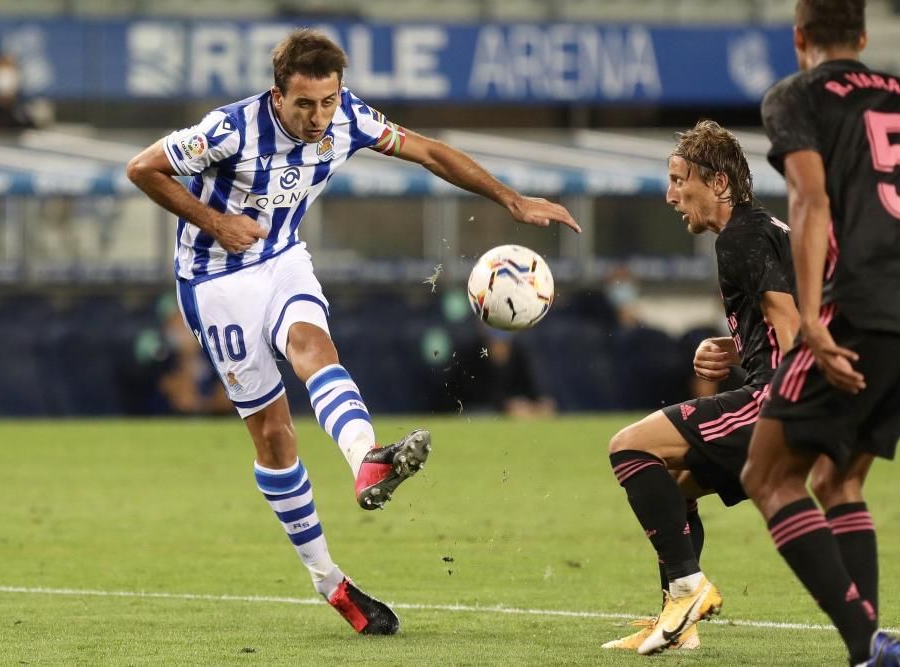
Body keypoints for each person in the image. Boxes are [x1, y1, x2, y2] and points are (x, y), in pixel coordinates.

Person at [126, 28, 580, 636]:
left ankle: (367, 461)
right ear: (277, 94)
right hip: (214, 282)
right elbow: (142, 168)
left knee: (315, 348)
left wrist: (510, 199)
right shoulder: (228, 129)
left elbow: (428, 152)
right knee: (275, 437)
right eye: (304, 104)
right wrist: (214, 221)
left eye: (329, 101)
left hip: (282, 258)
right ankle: (328, 581)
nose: (319, 118)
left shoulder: (349, 119)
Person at [740, 2, 900, 665]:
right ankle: (866, 651)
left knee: (767, 474)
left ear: (799, 38)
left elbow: (810, 200)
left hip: (860, 304)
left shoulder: (798, 95)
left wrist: (813, 320)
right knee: (839, 479)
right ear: (864, 37)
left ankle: (864, 641)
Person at [603, 119, 800, 655]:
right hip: (789, 389)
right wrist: (740, 348)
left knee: (629, 447)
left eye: (677, 180)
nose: (670, 196)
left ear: (718, 183)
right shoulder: (770, 229)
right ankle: (679, 618)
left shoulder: (739, 237)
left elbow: (790, 322)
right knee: (673, 481)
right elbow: (808, 311)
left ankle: (688, 591)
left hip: (780, 400)